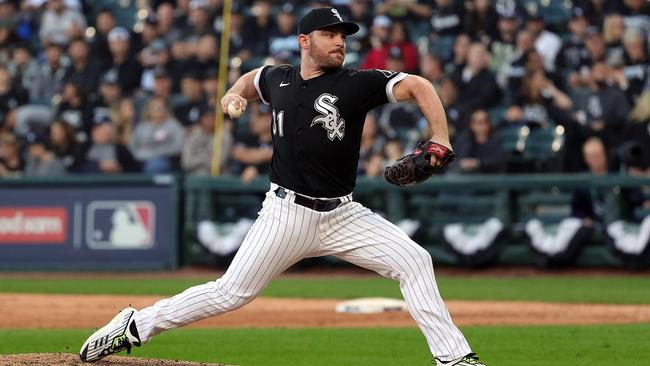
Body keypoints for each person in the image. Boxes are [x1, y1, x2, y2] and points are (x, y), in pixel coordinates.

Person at [79, 8, 485, 366]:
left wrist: (441, 136)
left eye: (343, 36)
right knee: (230, 293)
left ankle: (454, 358)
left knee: (415, 261)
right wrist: (233, 97)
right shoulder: (279, 79)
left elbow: (419, 86)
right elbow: (249, 80)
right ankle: (136, 325)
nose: (340, 42)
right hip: (286, 214)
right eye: (330, 34)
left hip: (344, 214)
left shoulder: (355, 84)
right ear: (304, 41)